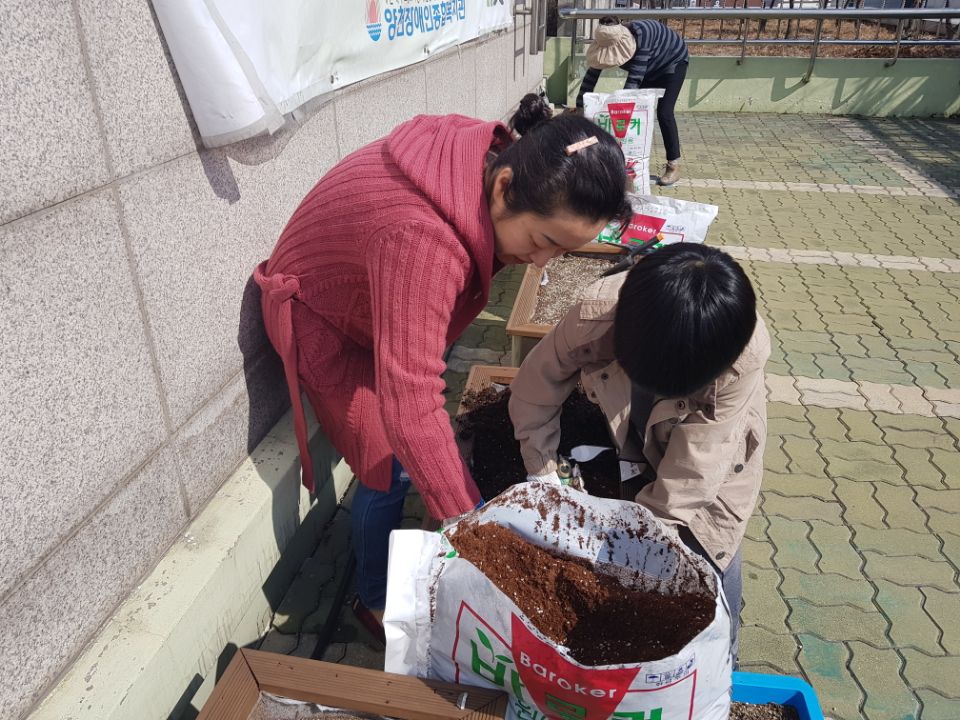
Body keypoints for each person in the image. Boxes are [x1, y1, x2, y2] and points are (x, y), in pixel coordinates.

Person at [253, 94, 631, 644]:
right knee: (384, 467)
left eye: (562, 251)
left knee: (414, 455)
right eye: (544, 241)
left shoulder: (487, 159)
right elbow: (409, 399)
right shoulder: (422, 239)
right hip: (322, 314)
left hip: (367, 301)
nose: (544, 262)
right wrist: (473, 530)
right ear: (504, 188)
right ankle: (372, 598)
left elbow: (414, 373)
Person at [508, 243, 769, 665]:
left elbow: (694, 473)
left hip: (716, 459)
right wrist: (542, 473)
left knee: (713, 546)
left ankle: (724, 660)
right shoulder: (598, 314)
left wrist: (628, 549)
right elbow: (537, 387)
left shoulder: (740, 358)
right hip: (631, 424)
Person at [576, 16, 689, 187]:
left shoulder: (643, 36)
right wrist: (579, 107)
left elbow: (633, 82)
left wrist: (619, 113)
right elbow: (591, 76)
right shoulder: (605, 41)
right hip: (649, 68)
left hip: (672, 63)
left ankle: (673, 165)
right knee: (638, 116)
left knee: (664, 112)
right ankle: (631, 161)